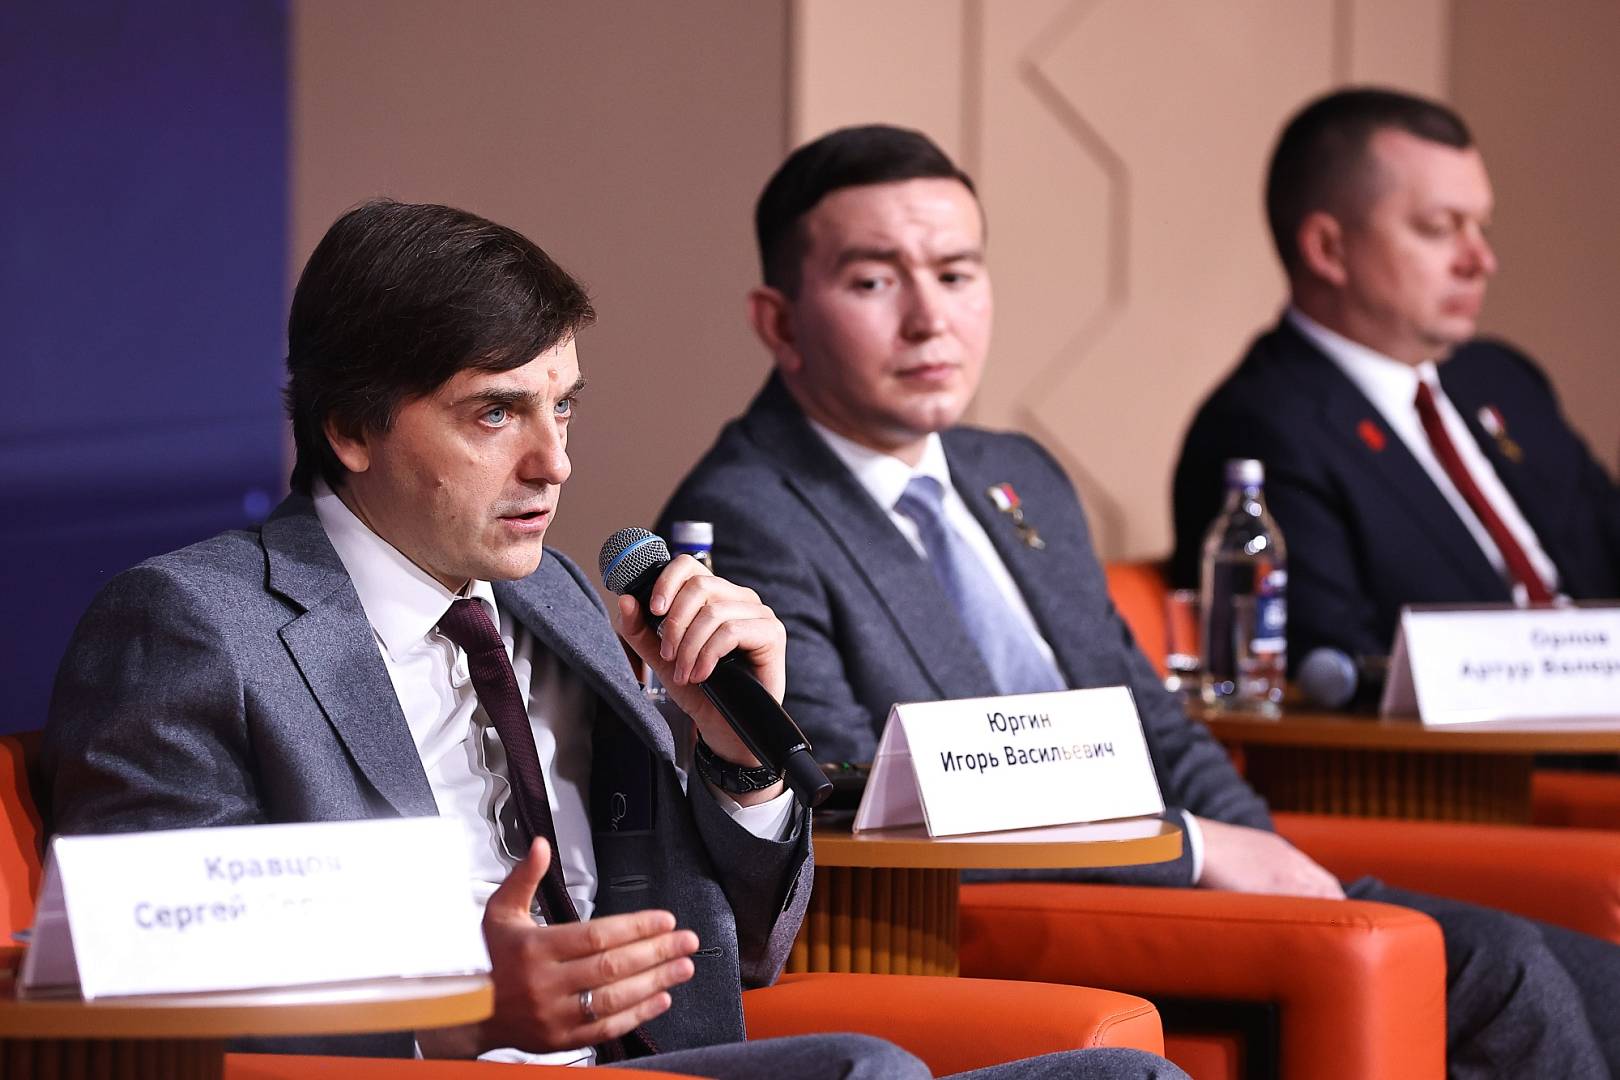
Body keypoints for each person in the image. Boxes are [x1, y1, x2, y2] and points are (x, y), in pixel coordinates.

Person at [41, 200, 1179, 1079]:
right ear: (349, 427)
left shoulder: (556, 596)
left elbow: (740, 951)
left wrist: (737, 758)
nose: (556, 463)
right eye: (496, 412)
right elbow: (155, 1002)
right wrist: (464, 1014)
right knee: (863, 1071)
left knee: (1127, 1075)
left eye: (565, 406)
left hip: (654, 1063)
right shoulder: (194, 625)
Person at [658, 124, 1620, 1077]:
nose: (929, 319)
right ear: (780, 323)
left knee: (1595, 977)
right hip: (989, 918)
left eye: (955, 274)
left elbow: (1155, 724)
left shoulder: (1017, 473)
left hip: (1174, 872)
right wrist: (1195, 853)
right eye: (874, 283)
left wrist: (1269, 857)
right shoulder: (745, 517)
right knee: (1505, 973)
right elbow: (847, 797)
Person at [1171, 87, 1620, 666]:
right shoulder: (1260, 429)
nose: (1481, 261)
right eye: (1439, 228)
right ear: (1329, 250)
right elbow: (1336, 671)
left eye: (1481, 228)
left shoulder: (1503, 380)